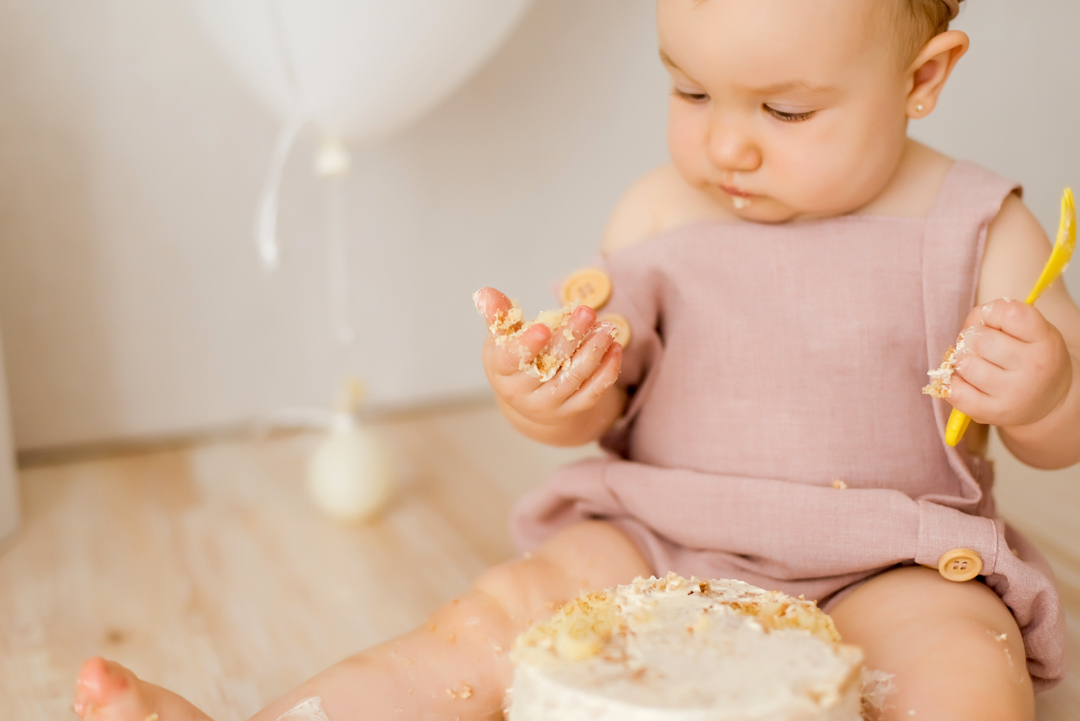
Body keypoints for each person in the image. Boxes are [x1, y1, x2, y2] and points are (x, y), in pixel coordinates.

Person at [73, 1, 1078, 719]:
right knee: (479, 632)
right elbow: (597, 405)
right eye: (690, 89)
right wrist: (546, 388)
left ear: (922, 78)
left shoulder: (982, 228)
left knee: (964, 677)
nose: (728, 144)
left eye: (785, 111)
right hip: (656, 535)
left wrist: (1044, 389)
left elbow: (1062, 437)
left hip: (891, 555)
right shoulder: (657, 215)